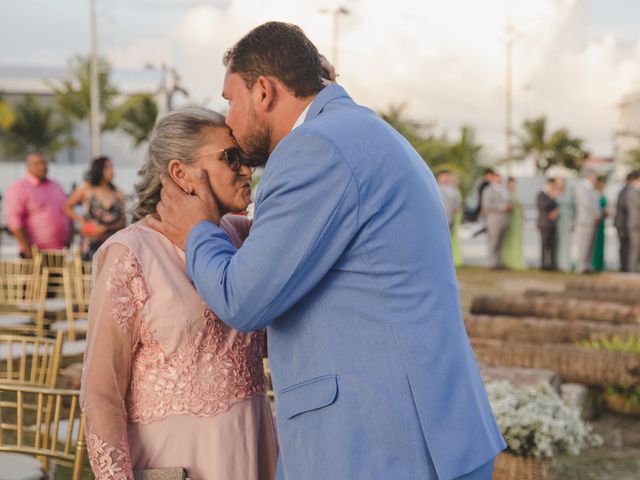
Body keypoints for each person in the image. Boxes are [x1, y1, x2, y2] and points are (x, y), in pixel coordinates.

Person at [150, 22, 504, 480]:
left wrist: (197, 230)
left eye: (229, 100)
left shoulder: (313, 149)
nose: (230, 125)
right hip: (428, 429)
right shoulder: (364, 131)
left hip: (381, 444)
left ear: (263, 92)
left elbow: (243, 298)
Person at [80, 107, 277, 480]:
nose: (247, 170)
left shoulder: (244, 238)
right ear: (179, 173)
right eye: (230, 158)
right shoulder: (131, 254)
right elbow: (101, 394)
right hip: (178, 460)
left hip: (254, 445)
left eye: (245, 158)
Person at [4, 151, 71, 258]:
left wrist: (68, 240)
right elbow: (14, 222)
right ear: (28, 166)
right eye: (37, 164)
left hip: (58, 252)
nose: (42, 167)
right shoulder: (19, 188)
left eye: (44, 163)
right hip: (34, 253)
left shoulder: (56, 186)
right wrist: (28, 250)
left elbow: (67, 213)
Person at [64, 156, 126, 260]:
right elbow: (67, 207)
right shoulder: (87, 189)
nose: (111, 171)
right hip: (90, 243)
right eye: (107, 167)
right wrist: (82, 222)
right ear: (98, 169)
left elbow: (123, 221)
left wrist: (106, 228)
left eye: (111, 167)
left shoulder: (118, 193)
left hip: (112, 244)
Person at [481, 171, 512, 269]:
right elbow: (487, 205)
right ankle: (491, 263)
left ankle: (498, 262)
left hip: (504, 219)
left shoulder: (503, 190)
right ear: (493, 178)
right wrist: (502, 207)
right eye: (498, 178)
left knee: (501, 242)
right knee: (493, 241)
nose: (500, 180)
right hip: (494, 219)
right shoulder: (488, 190)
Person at [573, 171, 602, 274]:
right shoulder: (581, 187)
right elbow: (585, 203)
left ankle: (588, 265)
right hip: (585, 220)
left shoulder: (592, 188)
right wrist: (595, 214)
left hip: (593, 220)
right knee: (583, 244)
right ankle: (580, 267)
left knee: (590, 245)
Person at [501, 176, 527, 270]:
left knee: (517, 240)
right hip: (510, 219)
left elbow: (520, 207)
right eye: (512, 184)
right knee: (509, 240)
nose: (513, 185)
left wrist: (523, 217)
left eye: (514, 184)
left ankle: (517, 260)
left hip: (517, 220)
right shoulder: (506, 194)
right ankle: (509, 261)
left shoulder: (516, 194)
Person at [614, 171, 637, 272]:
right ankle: (625, 267)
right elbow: (625, 208)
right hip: (623, 223)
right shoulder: (626, 191)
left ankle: (626, 267)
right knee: (625, 246)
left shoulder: (627, 190)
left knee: (628, 246)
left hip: (627, 222)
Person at [536, 178, 560, 271]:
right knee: (544, 245)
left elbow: (556, 206)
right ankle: (543, 265)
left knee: (553, 245)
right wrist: (552, 197)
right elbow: (543, 205)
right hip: (544, 223)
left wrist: (556, 211)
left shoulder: (551, 195)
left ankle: (552, 264)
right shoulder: (541, 194)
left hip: (552, 223)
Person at [555, 177, 573, 271]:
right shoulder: (554, 193)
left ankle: (565, 263)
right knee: (558, 242)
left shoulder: (569, 194)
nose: (561, 185)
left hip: (567, 220)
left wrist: (573, 220)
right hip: (557, 221)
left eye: (562, 183)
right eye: (559, 183)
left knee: (566, 242)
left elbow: (573, 207)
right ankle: (557, 263)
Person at [437, 170, 461, 234]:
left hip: (450, 217)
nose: (445, 178)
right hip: (439, 217)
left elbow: (457, 204)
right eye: (443, 176)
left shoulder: (452, 189)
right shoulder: (436, 188)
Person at [592, 175, 608, 272]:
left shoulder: (602, 193)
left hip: (602, 221)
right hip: (597, 220)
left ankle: (600, 264)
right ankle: (595, 264)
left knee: (601, 243)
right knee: (595, 243)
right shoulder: (594, 193)